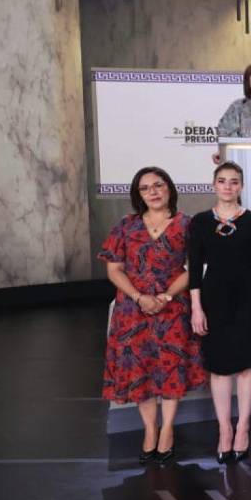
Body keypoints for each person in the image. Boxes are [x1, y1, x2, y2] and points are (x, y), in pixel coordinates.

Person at [99, 166, 205, 464]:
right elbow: (114, 269)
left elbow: (194, 268)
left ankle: (167, 428)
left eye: (158, 185)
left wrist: (166, 296)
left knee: (170, 369)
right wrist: (139, 297)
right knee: (140, 370)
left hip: (172, 308)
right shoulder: (126, 225)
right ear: (138, 195)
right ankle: (150, 429)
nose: (153, 192)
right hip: (132, 311)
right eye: (145, 188)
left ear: (169, 187)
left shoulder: (188, 224)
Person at [188, 161, 251, 463]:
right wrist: (196, 308)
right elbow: (194, 269)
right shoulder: (200, 221)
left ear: (241, 186)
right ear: (214, 185)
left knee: (245, 365)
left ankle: (243, 428)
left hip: (246, 300)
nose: (228, 186)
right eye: (223, 181)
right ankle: (224, 429)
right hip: (212, 300)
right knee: (219, 367)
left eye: (234, 181)